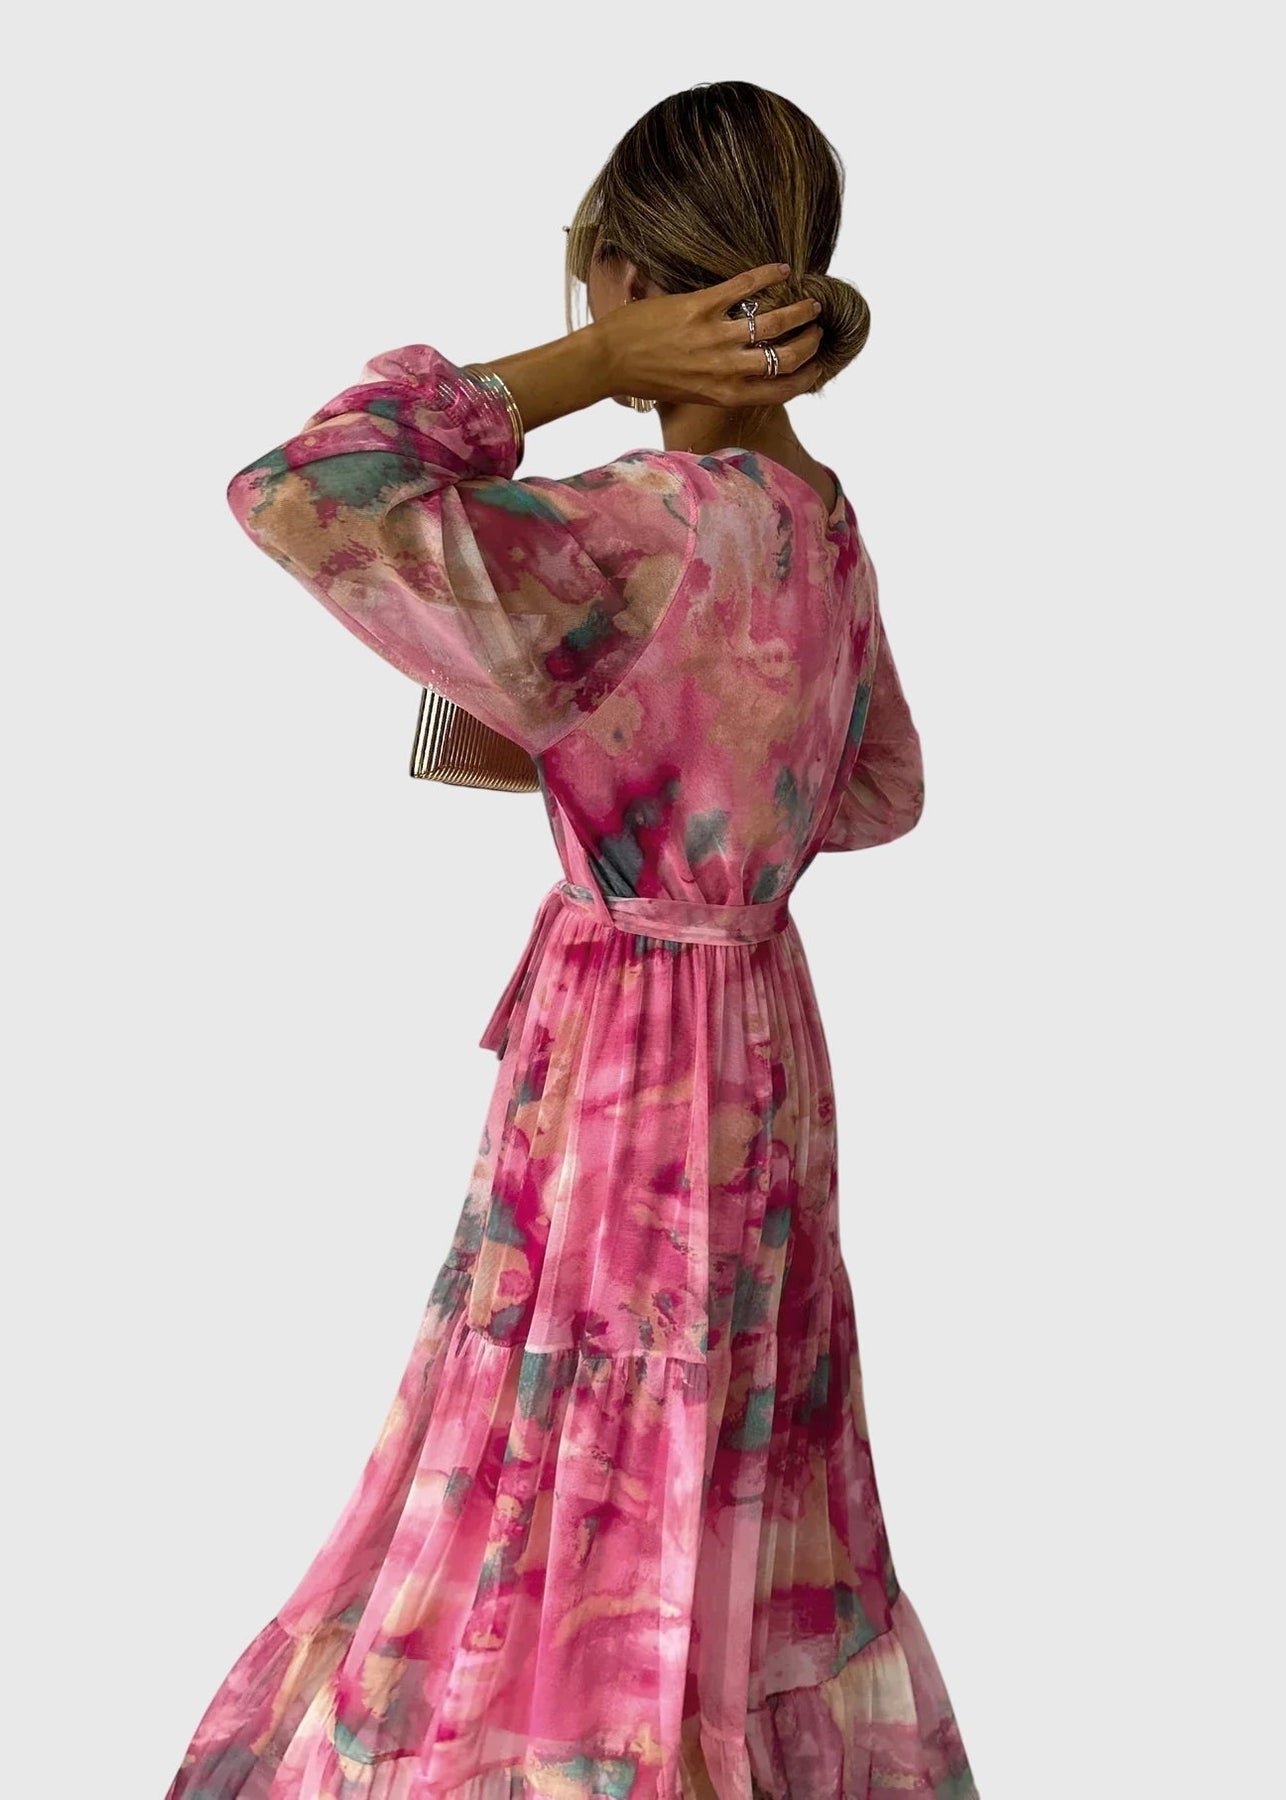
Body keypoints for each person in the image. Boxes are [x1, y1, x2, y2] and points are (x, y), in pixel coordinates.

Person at [165, 80, 976, 1800]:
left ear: (623, 272)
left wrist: (581, 371)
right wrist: (682, 758)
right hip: (761, 1040)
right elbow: (879, 789)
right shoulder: (821, 524)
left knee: (578, 1417)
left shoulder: (634, 520)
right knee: (729, 1416)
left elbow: (299, 487)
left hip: (623, 1048)